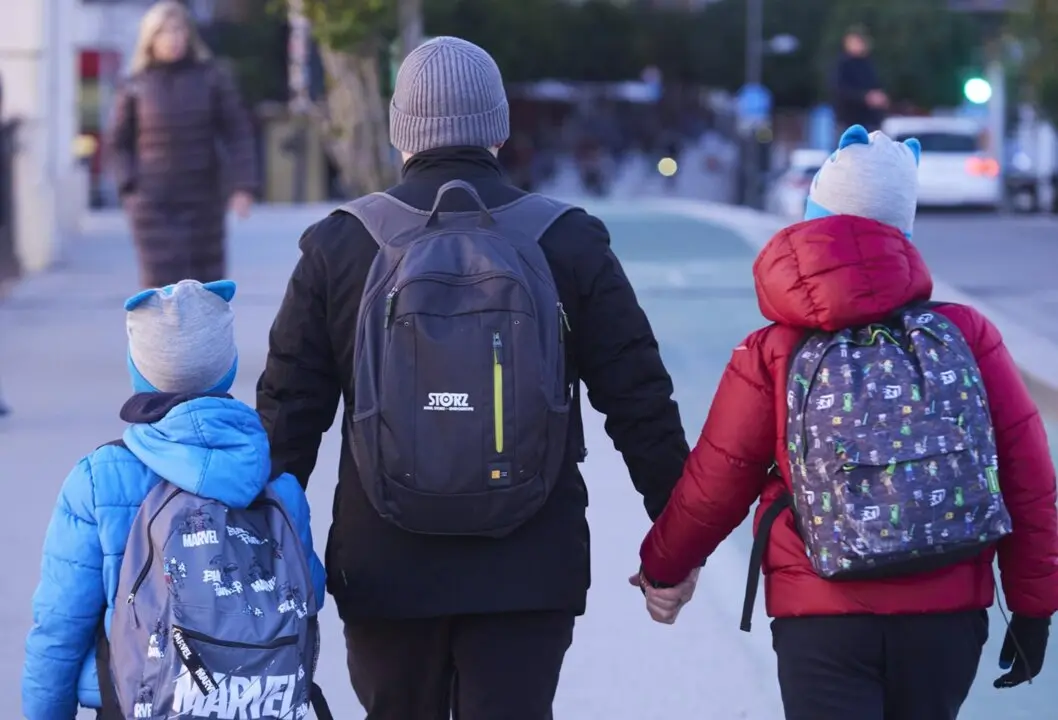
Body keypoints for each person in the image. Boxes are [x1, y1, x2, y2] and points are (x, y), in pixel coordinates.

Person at [256, 36, 688, 720]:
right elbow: (640, 399)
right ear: (499, 128)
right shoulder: (567, 239)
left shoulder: (341, 244)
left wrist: (259, 550)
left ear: (400, 132)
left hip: (384, 567)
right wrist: (677, 543)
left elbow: (287, 414)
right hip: (529, 568)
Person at [636, 125, 1058, 720]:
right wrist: (1034, 606)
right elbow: (1027, 475)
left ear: (813, 220)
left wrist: (664, 567)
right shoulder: (965, 334)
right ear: (903, 233)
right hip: (947, 615)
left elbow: (717, 479)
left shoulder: (773, 349)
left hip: (821, 616)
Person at [22, 279, 325, 720]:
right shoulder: (277, 485)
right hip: (256, 703)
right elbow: (307, 595)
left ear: (138, 369)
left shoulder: (100, 478)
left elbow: (59, 627)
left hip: (137, 702)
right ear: (228, 367)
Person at [105, 0, 257, 289]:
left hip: (204, 201)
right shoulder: (136, 84)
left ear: (189, 35)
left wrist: (243, 186)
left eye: (178, 30)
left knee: (205, 289)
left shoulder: (211, 78)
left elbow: (237, 131)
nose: (173, 38)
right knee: (161, 293)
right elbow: (118, 142)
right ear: (150, 39)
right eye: (164, 32)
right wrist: (129, 188)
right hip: (153, 205)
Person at [832, 26, 888, 133]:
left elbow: (876, 84)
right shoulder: (842, 64)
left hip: (870, 119)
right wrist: (865, 98)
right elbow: (840, 90)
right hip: (848, 120)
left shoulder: (868, 64)